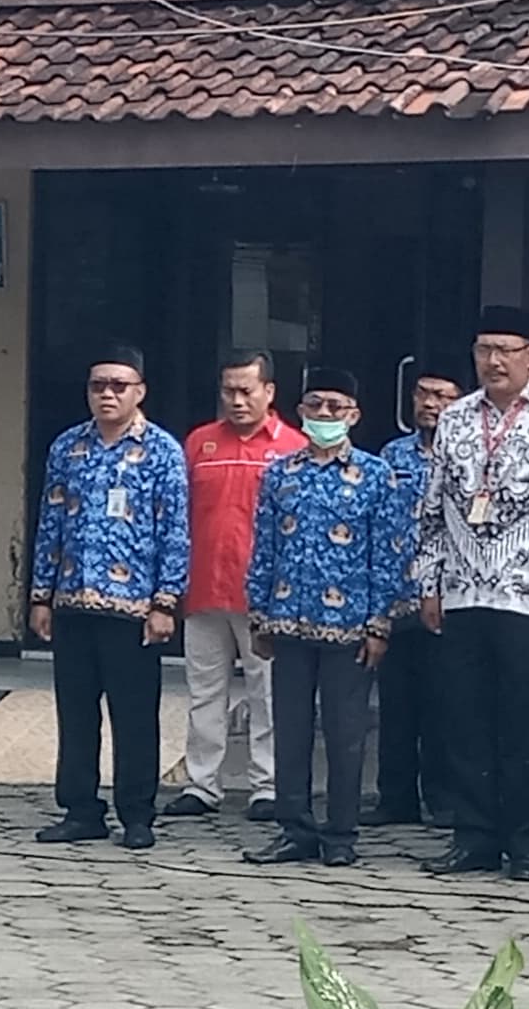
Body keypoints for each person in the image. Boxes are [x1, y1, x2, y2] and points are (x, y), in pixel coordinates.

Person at [409, 303, 529, 882]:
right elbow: (433, 508)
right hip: (464, 590)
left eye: (505, 351)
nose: (493, 361)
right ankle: (473, 836)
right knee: (464, 719)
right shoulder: (456, 418)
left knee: (527, 721)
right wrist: (429, 582)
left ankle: (525, 843)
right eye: (484, 350)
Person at [29, 346, 187, 851]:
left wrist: (166, 602)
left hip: (133, 609)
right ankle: (80, 810)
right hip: (73, 602)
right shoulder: (67, 447)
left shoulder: (161, 450)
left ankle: (137, 814)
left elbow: (175, 531)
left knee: (134, 716)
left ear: (140, 391)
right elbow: (50, 523)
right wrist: (40, 595)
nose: (108, 394)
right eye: (98, 385)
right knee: (76, 715)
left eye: (119, 385)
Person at [243, 368, 402, 865]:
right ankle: (294, 828)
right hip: (288, 621)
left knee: (345, 734)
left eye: (336, 406)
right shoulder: (280, 474)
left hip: (350, 627)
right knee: (290, 731)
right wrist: (258, 616)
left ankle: (340, 834)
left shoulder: (376, 475)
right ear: (300, 411)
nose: (325, 414)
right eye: (316, 405)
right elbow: (264, 547)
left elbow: (388, 555)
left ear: (354, 414)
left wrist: (379, 624)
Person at [173, 352, 288, 820]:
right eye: (228, 391)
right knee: (203, 692)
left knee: (268, 695)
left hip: (264, 597)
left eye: (247, 391)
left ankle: (268, 786)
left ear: (269, 392)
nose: (237, 401)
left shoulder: (292, 447)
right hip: (204, 588)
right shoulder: (199, 443)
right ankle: (201, 784)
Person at [367, 360, 456, 829]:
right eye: (423, 393)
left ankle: (444, 798)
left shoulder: (468, 452)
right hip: (399, 595)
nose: (430, 404)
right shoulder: (392, 455)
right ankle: (395, 798)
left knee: (445, 704)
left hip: (449, 598)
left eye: (442, 396)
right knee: (396, 706)